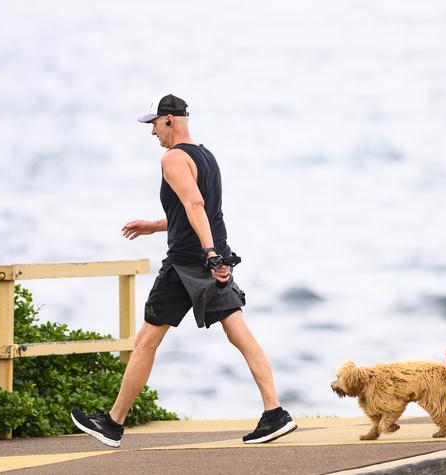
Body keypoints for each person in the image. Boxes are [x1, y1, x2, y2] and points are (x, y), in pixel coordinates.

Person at [71, 94, 296, 447]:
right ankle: (275, 412)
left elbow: (195, 204)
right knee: (240, 334)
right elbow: (197, 213)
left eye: (155, 125)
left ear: (170, 120)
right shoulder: (206, 156)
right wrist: (159, 226)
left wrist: (207, 254)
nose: (153, 133)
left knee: (145, 342)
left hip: (187, 263)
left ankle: (113, 424)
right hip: (212, 258)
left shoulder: (173, 158)